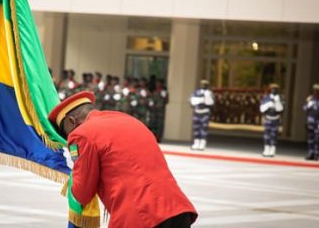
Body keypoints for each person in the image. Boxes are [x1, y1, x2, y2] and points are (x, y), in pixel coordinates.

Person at [48, 91, 198, 228]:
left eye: (66, 133)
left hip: (140, 218)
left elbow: (82, 193)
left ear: (72, 122)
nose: (69, 138)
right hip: (177, 211)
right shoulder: (129, 120)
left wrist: (75, 171)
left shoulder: (81, 134)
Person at [259, 83, 284, 157]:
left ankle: (272, 150)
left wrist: (277, 102)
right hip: (268, 119)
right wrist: (268, 104)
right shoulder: (266, 98)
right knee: (267, 136)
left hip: (275, 119)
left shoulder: (280, 98)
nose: (274, 91)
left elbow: (281, 109)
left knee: (274, 135)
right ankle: (266, 150)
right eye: (272, 89)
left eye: (275, 89)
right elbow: (262, 109)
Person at [189, 80, 214, 151]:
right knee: (196, 128)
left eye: (205, 84)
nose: (203, 86)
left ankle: (202, 143)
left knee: (203, 128)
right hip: (197, 112)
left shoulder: (209, 93)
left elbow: (210, 102)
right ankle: (196, 142)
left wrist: (204, 98)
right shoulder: (196, 92)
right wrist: (201, 100)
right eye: (202, 84)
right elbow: (192, 101)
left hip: (205, 112)